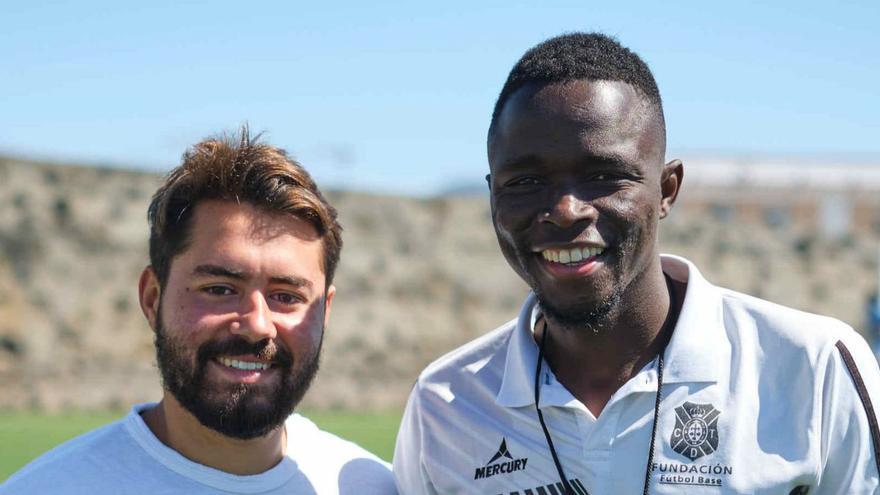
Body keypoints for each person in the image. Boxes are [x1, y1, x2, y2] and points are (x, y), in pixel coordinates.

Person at [393, 33, 880, 494]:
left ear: (667, 189)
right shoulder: (446, 404)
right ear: (493, 195)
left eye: (604, 175)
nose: (566, 210)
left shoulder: (813, 368)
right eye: (525, 182)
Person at [1, 128, 396, 494]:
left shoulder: (374, 485)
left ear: (323, 312)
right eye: (220, 289)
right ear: (152, 298)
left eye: (286, 296)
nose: (258, 325)